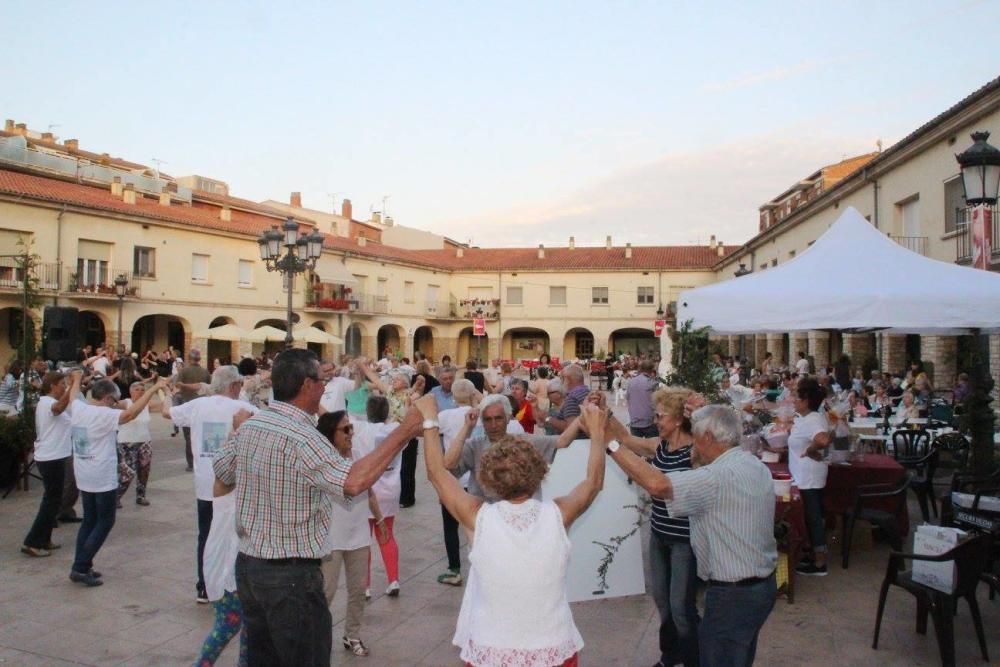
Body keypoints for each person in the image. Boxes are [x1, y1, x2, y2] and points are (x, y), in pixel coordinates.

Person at [213, 348, 424, 666]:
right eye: (322, 380)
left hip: (250, 568)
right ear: (306, 384)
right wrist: (406, 430)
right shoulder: (305, 437)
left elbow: (223, 474)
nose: (326, 386)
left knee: (263, 657)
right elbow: (353, 482)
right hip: (291, 576)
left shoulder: (253, 426)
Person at [416, 393, 609, 667]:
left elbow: (437, 473)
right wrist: (598, 432)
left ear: (489, 477)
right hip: (553, 647)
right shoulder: (558, 515)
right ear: (539, 473)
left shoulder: (478, 518)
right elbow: (593, 482)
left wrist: (430, 420)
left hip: (491, 649)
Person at [606, 402, 777, 666]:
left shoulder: (717, 476)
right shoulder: (752, 464)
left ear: (708, 437)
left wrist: (610, 444)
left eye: (696, 437)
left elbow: (658, 484)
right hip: (760, 588)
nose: (693, 444)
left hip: (733, 595)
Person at [606, 387, 700, 667]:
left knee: (681, 607)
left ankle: (695, 658)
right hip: (659, 534)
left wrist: (702, 413)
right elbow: (624, 438)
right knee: (662, 601)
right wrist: (606, 413)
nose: (657, 420)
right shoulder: (660, 444)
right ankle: (670, 656)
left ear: (678, 419)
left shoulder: (695, 451)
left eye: (662, 416)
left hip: (684, 538)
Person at [165, 365, 258, 604]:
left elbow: (169, 414)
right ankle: (233, 584)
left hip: (205, 485)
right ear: (234, 386)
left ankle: (204, 586)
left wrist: (163, 392)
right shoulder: (244, 408)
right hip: (232, 486)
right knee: (234, 535)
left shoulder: (198, 405)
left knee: (206, 535)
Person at [70, 376, 168, 586]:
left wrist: (76, 379)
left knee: (89, 520)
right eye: (114, 400)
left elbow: (72, 395)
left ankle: (82, 565)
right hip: (101, 475)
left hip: (84, 473)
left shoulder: (79, 408)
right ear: (106, 398)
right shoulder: (103, 414)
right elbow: (130, 413)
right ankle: (80, 566)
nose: (115, 404)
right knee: (105, 520)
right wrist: (153, 390)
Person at [317, 411, 382, 658]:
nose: (350, 433)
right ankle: (318, 636)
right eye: (345, 429)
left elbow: (369, 490)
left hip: (359, 535)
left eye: (351, 428)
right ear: (331, 434)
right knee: (327, 591)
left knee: (358, 589)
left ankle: (352, 635)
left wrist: (379, 519)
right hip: (332, 536)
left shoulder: (358, 457)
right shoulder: (324, 461)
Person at [443, 394, 580, 503]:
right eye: (488, 420)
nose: (494, 425)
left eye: (498, 418)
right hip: (486, 519)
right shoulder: (474, 446)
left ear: (508, 418)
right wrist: (467, 427)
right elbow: (448, 464)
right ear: (482, 422)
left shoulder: (523, 442)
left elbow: (562, 441)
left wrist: (582, 418)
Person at [22, 370, 83, 557]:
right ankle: (32, 542)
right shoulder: (47, 402)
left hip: (56, 455)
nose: (64, 387)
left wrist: (74, 386)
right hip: (50, 457)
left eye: (65, 384)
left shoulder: (51, 403)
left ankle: (45, 539)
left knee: (54, 500)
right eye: (61, 384)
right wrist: (73, 384)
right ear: (51, 386)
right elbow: (58, 408)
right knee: (51, 501)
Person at [351, 396, 402, 599]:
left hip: (367, 490)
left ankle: (366, 586)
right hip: (390, 490)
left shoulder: (359, 429)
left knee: (365, 540)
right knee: (387, 534)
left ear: (367, 411)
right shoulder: (395, 429)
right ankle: (393, 579)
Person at [194, 481, 247, 667]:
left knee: (251, 628)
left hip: (247, 567)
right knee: (228, 623)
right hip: (226, 568)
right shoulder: (227, 486)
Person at [435, 379, 483, 586]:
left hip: (453, 479)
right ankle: (482, 567)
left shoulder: (445, 416)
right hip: (476, 479)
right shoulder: (480, 415)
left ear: (453, 396)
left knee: (450, 526)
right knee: (478, 526)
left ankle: (454, 569)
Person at [788, 378, 832, 576]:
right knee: (810, 516)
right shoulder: (804, 418)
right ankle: (813, 552)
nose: (793, 400)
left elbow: (823, 439)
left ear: (806, 401)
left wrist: (811, 449)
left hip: (809, 476)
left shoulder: (813, 419)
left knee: (813, 516)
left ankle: (820, 561)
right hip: (803, 474)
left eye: (797, 397)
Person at [116, 381, 154, 508]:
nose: (140, 392)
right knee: (128, 472)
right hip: (127, 442)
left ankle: (141, 496)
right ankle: (116, 496)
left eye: (143, 390)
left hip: (144, 441)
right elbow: (110, 406)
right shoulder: (126, 403)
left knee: (144, 470)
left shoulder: (146, 404)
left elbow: (163, 407)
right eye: (137, 389)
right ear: (131, 391)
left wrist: (167, 394)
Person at [175, 349, 212, 471]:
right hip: (204, 407)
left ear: (188, 358)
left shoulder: (183, 371)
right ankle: (205, 461)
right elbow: (210, 387)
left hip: (188, 405)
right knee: (204, 434)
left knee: (189, 436)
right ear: (199, 359)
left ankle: (191, 464)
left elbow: (177, 385)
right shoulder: (205, 372)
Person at [544, 364, 588, 435]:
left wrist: (549, 419)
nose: (561, 383)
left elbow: (570, 429)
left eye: (562, 379)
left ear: (568, 379)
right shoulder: (588, 392)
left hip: (575, 443)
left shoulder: (572, 398)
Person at [626, 359, 659, 438]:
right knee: (652, 448)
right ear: (652, 370)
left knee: (637, 448)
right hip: (650, 421)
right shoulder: (653, 383)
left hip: (634, 421)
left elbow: (628, 400)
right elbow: (658, 403)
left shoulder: (631, 382)